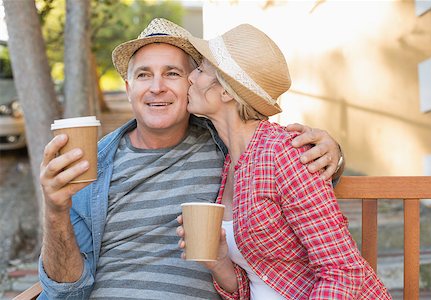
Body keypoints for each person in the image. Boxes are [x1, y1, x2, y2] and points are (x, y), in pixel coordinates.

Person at [38, 19, 344, 299]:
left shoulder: (226, 149)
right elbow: (65, 289)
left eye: (173, 73)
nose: (157, 87)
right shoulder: (93, 164)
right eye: (144, 75)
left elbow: (290, 176)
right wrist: (55, 210)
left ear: (191, 86)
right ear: (129, 90)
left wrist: (332, 154)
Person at [176, 24, 392, 299]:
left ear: (227, 91)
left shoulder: (284, 153)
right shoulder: (231, 162)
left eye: (201, 69)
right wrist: (219, 263)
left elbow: (343, 271)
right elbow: (260, 282)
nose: (190, 78)